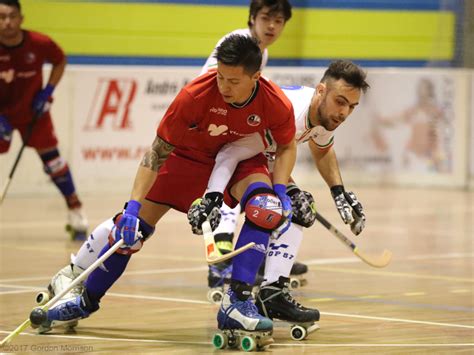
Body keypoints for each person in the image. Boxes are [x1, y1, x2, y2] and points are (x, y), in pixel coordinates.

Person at [37, 34, 297, 343]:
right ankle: (84, 300)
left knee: (265, 209)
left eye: (233, 81)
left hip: (239, 162)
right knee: (129, 233)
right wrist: (132, 207)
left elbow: (286, 146)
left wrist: (280, 191)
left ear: (256, 76)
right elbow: (156, 153)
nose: (223, 87)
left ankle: (237, 302)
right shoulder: (195, 96)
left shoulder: (275, 102)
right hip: (186, 159)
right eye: (220, 77)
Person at [201, 60, 369, 329]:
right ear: (320, 91)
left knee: (301, 208)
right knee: (268, 207)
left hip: (260, 160)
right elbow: (239, 148)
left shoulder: (325, 116)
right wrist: (214, 193)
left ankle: (272, 293)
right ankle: (236, 292)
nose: (344, 113)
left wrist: (339, 192)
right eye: (340, 102)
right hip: (230, 155)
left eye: (352, 106)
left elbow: (322, 148)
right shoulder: (290, 109)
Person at [201, 0, 310, 292]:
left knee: (255, 191)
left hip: (234, 131)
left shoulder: (261, 53)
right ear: (252, 19)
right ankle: (220, 264)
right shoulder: (237, 43)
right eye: (266, 18)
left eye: (279, 21)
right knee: (230, 191)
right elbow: (216, 87)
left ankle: (254, 256)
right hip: (215, 129)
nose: (272, 26)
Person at [0, 0, 87, 239]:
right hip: (2, 115)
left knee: (54, 163)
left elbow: (60, 60)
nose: (7, 22)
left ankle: (76, 211)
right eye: (1, 17)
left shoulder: (39, 43)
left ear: (21, 18)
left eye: (12, 16)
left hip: (33, 113)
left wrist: (47, 91)